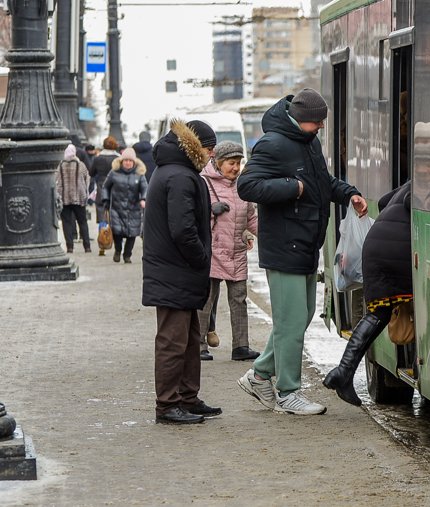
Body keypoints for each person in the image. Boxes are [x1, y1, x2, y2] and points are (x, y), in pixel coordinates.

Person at [236, 88, 367, 416]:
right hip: (285, 246)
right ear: (300, 118)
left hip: (305, 244)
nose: (321, 127)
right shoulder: (273, 144)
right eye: (317, 122)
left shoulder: (309, 143)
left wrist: (349, 194)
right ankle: (288, 392)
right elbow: (247, 185)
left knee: (299, 316)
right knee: (291, 321)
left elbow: (322, 183)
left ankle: (260, 375)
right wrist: (291, 188)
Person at [142, 119, 221, 425]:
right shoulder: (180, 176)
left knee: (189, 340)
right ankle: (167, 405)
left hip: (177, 271)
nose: (212, 154)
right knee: (173, 342)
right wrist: (202, 259)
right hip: (176, 270)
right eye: (209, 147)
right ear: (194, 145)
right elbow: (183, 230)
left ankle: (187, 398)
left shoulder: (176, 171)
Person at [323, 181, 413, 406]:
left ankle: (343, 373)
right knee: (379, 314)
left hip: (375, 245)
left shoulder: (412, 181)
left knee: (379, 313)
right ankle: (342, 373)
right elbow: (415, 203)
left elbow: (383, 202)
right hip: (394, 252)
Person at [197, 141, 261, 362]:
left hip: (236, 251)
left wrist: (269, 237)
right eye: (231, 163)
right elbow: (194, 216)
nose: (235, 167)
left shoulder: (242, 186)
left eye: (238, 163)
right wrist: (211, 212)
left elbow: (251, 217)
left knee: (239, 299)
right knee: (206, 299)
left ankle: (241, 346)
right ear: (218, 162)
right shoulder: (204, 183)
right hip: (213, 251)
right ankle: (199, 345)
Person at [101, 147, 149, 264]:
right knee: (117, 232)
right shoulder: (114, 173)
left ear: (134, 162)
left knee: (132, 234)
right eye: (125, 160)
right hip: (117, 208)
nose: (128, 163)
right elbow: (105, 187)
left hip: (134, 208)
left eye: (130, 161)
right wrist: (106, 200)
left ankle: (127, 255)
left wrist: (143, 198)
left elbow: (145, 188)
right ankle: (118, 250)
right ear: (121, 161)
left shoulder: (139, 174)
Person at [55, 144, 92, 254]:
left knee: (66, 222)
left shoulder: (60, 165)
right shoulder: (81, 165)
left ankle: (70, 247)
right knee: (82, 221)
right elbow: (87, 179)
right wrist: (85, 192)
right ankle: (87, 246)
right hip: (79, 198)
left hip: (64, 197)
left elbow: (56, 180)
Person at [90, 136, 120, 254]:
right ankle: (118, 243)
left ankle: (102, 243)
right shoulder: (118, 158)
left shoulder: (98, 158)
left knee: (102, 215)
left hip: (102, 187)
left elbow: (91, 172)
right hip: (116, 188)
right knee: (116, 215)